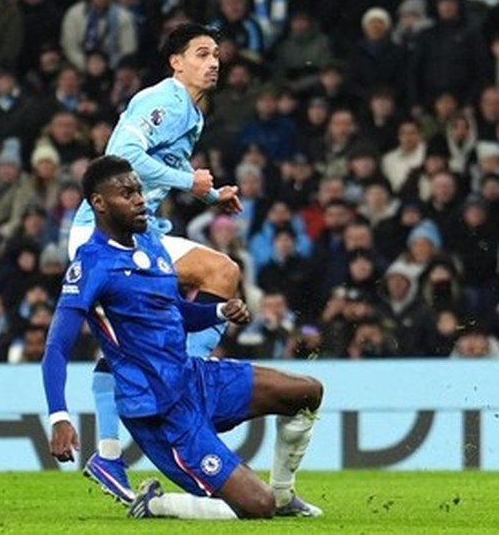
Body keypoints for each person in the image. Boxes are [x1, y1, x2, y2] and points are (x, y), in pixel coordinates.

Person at [43, 156, 323, 519]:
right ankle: (155, 504)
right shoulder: (91, 265)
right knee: (257, 506)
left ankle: (285, 495)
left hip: (193, 377)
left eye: (139, 191)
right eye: (126, 194)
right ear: (99, 203)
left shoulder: (151, 247)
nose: (140, 200)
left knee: (307, 392)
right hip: (160, 411)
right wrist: (58, 416)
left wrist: (219, 312)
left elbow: (177, 314)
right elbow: (56, 346)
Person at [67, 23, 244, 502]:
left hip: (143, 235)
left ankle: (108, 456)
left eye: (217, 55)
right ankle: (185, 375)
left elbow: (158, 177)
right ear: (176, 62)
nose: (213, 63)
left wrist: (210, 191)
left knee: (221, 274)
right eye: (202, 53)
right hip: (102, 239)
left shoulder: (192, 113)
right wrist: (194, 184)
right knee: (215, 276)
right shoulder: (161, 101)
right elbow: (121, 156)